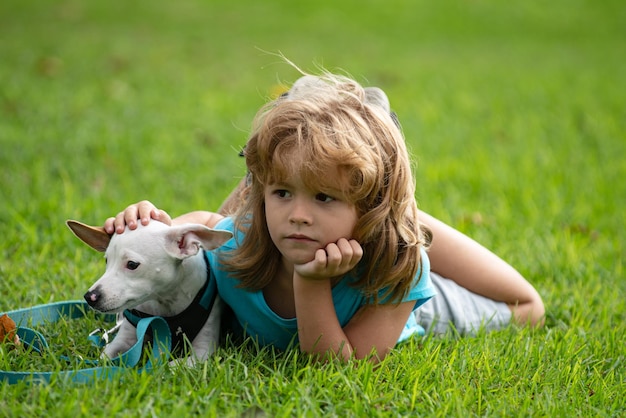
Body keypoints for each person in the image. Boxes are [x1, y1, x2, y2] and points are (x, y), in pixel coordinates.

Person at [104, 72, 544, 362]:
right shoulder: (224, 239)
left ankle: (396, 216)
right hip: (324, 216)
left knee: (525, 306)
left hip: (427, 302)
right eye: (281, 191)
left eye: (324, 197)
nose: (298, 216)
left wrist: (311, 284)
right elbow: (159, 265)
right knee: (259, 207)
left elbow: (339, 369)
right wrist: (148, 228)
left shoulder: (396, 274)